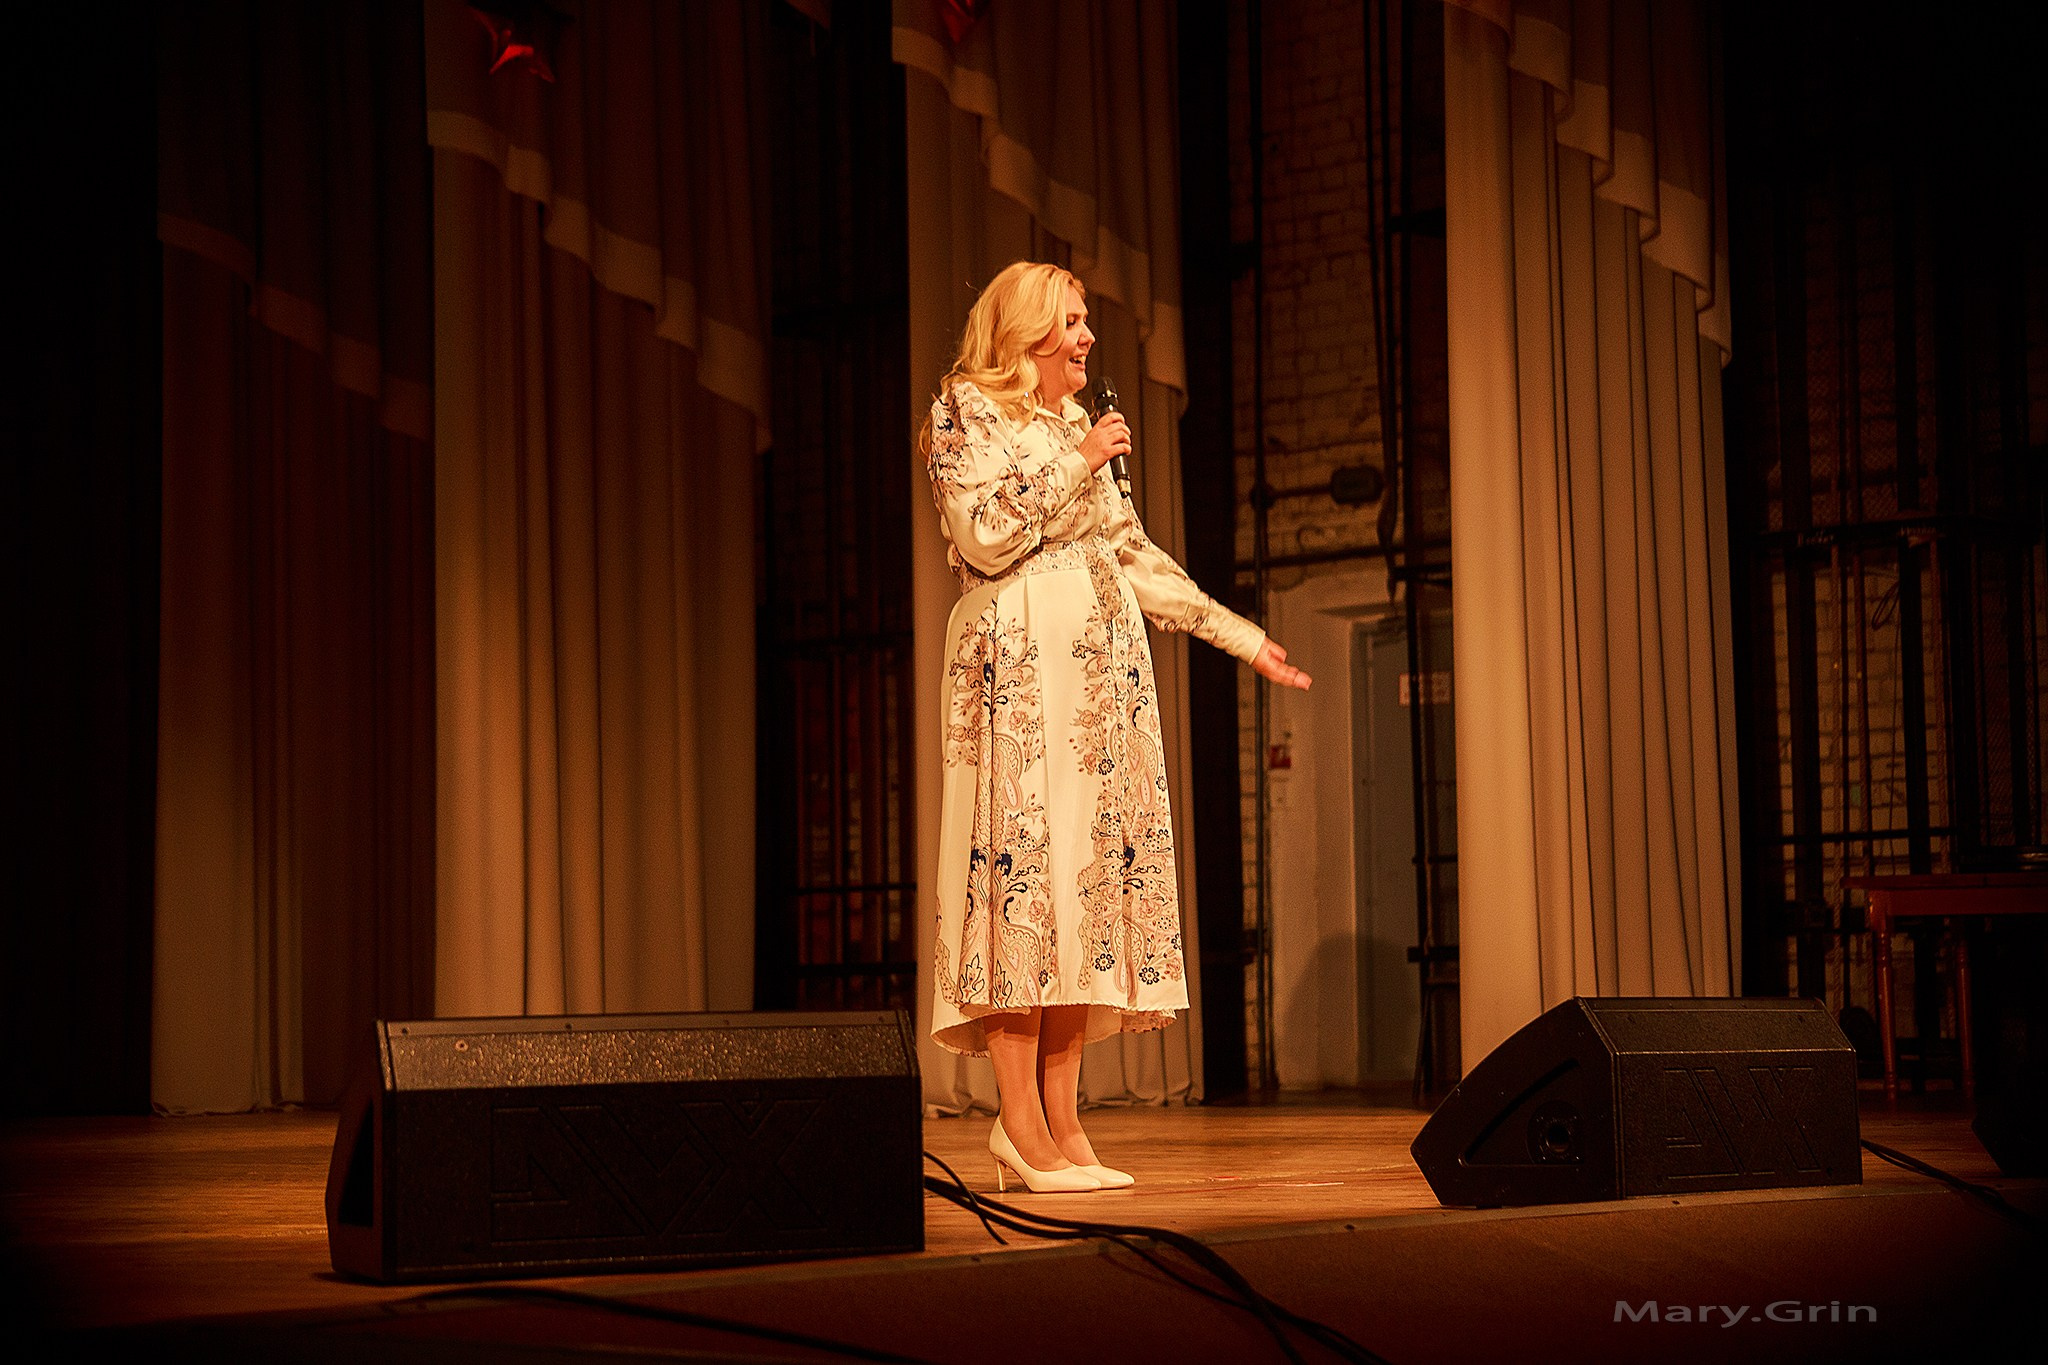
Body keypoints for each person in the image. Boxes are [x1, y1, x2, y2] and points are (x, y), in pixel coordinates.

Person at [921, 261, 1312, 1193]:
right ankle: (1016, 1123)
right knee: (1021, 888)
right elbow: (984, 532)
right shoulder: (963, 410)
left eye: (1087, 320)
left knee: (1081, 893)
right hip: (1018, 680)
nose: (1089, 338)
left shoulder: (1070, 427)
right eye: (1073, 321)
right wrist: (1079, 459)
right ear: (1026, 332)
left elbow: (1131, 554)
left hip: (1098, 697)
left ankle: (1063, 1119)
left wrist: (1239, 635)